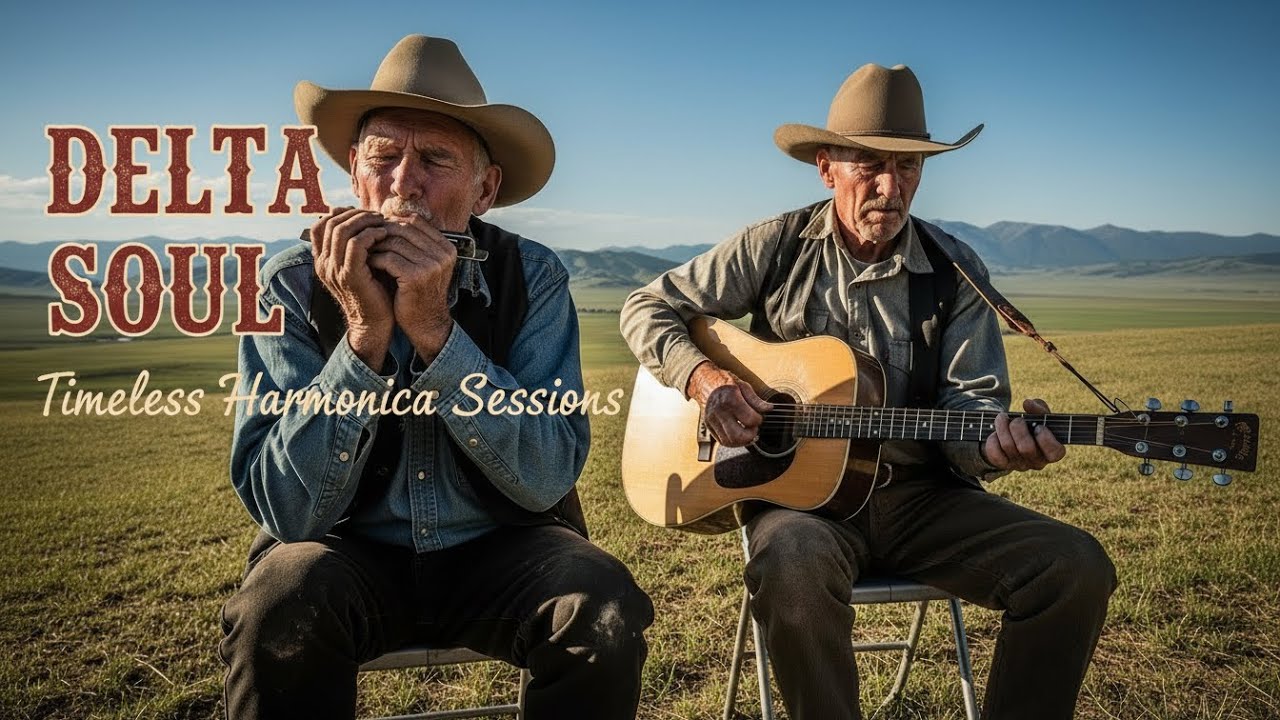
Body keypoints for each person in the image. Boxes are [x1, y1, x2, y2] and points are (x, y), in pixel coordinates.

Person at [620, 63, 1115, 719]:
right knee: (791, 563)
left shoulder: (956, 271)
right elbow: (644, 307)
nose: (891, 186)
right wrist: (705, 378)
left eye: (908, 167)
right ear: (826, 168)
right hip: (803, 512)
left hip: (923, 503)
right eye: (869, 165)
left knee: (1075, 567)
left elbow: (973, 411)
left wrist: (995, 450)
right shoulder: (776, 246)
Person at [219, 35, 652, 720]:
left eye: (435, 160)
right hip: (347, 555)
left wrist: (435, 334)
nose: (402, 183)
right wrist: (362, 339)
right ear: (356, 178)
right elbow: (288, 512)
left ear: (485, 188)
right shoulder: (288, 286)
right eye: (383, 158)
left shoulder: (532, 278)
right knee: (280, 600)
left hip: (501, 549)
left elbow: (547, 474)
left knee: (600, 605)